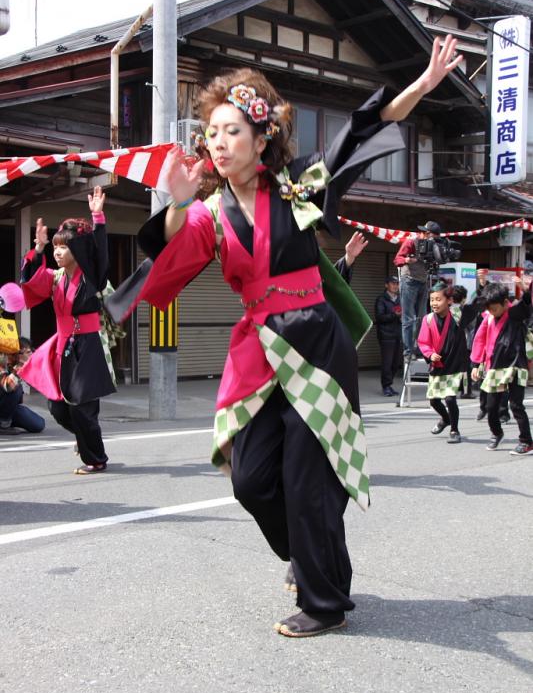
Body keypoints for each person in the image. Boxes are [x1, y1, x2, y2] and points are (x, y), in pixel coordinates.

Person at [109, 35, 463, 637]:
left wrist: (422, 87)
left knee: (308, 478)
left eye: (232, 131)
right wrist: (177, 203)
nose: (219, 143)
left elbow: (358, 136)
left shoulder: (297, 188)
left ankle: (325, 601)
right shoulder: (208, 214)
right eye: (212, 133)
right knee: (249, 478)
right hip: (257, 349)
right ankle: (305, 555)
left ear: (261, 138)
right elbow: (166, 265)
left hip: (315, 343)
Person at [18, 186, 116, 473]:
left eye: (64, 247)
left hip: (88, 346)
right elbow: (30, 283)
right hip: (63, 346)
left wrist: (98, 217)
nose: (58, 252)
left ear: (78, 250)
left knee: (82, 407)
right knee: (58, 408)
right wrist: (38, 250)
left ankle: (96, 459)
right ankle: (85, 439)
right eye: (55, 247)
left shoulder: (91, 276)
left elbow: (100, 256)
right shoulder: (55, 277)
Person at [471, 279, 533, 455]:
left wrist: (525, 289)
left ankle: (526, 441)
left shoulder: (514, 314)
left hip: (515, 365)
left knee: (516, 405)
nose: (492, 312)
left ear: (506, 303)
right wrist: (476, 364)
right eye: (489, 308)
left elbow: (527, 303)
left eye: (495, 308)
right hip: (495, 366)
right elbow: (479, 340)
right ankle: (497, 432)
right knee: (491, 407)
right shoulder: (488, 318)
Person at [417, 282, 478, 444]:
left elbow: (475, 307)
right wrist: (430, 354)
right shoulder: (428, 319)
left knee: (450, 398)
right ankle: (445, 419)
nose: (434, 303)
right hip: (438, 364)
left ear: (449, 300)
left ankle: (454, 430)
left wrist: (482, 285)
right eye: (432, 300)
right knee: (434, 400)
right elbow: (423, 342)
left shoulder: (458, 315)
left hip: (455, 364)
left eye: (438, 299)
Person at [394, 220, 441, 360]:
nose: (433, 240)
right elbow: (397, 259)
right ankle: (408, 351)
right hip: (409, 280)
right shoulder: (411, 242)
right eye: (432, 237)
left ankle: (421, 348)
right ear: (426, 233)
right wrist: (407, 260)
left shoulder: (434, 246)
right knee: (408, 318)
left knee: (422, 318)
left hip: (423, 282)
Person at [0, 337, 45, 434]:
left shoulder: (17, 364)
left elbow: (36, 382)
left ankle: (7, 420)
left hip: (9, 408)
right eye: (28, 352)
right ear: (18, 353)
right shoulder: (2, 362)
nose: (31, 354)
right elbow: (8, 386)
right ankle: (3, 425)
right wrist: (21, 365)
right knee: (16, 389)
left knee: (39, 424)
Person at [374, 275, 402, 396]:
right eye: (393, 283)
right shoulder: (381, 299)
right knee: (387, 362)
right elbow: (379, 317)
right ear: (386, 285)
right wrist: (395, 315)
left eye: (397, 284)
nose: (395, 286)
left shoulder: (400, 299)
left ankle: (389, 384)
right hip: (386, 335)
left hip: (397, 334)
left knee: (396, 363)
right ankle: (386, 386)